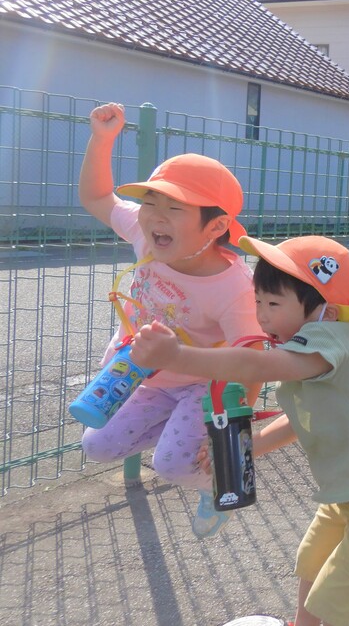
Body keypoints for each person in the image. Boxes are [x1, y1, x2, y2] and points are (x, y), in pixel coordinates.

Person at [130, 235, 349, 626]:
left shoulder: (328, 339)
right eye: (258, 302)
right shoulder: (321, 350)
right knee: (311, 561)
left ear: (324, 311)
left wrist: (178, 357)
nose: (263, 316)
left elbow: (257, 367)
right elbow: (304, 418)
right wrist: (254, 444)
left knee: (337, 603)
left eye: (274, 304)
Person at [78, 102, 263, 539]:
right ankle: (178, 433)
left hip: (203, 381)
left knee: (173, 464)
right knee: (96, 445)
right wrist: (102, 140)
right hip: (142, 373)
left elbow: (252, 357)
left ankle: (215, 484)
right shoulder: (146, 235)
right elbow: (97, 197)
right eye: (150, 201)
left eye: (175, 208)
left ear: (216, 227)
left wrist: (230, 432)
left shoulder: (233, 285)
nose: (155, 216)